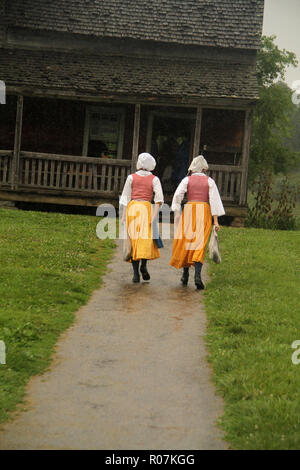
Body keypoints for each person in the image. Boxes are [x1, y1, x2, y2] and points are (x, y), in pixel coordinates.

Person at [169, 155, 225, 290]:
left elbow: (177, 196)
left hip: (189, 210)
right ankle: (197, 276)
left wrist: (177, 213)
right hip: (203, 211)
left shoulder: (186, 180)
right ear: (204, 168)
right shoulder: (209, 181)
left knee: (188, 241)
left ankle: (185, 274)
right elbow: (214, 201)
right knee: (199, 243)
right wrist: (216, 221)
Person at [120, 153, 164, 283]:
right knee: (144, 240)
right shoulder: (154, 179)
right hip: (146, 209)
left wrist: (123, 215)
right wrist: (154, 216)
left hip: (133, 208)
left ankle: (135, 274)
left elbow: (125, 197)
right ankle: (143, 266)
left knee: (133, 240)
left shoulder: (131, 178)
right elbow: (159, 200)